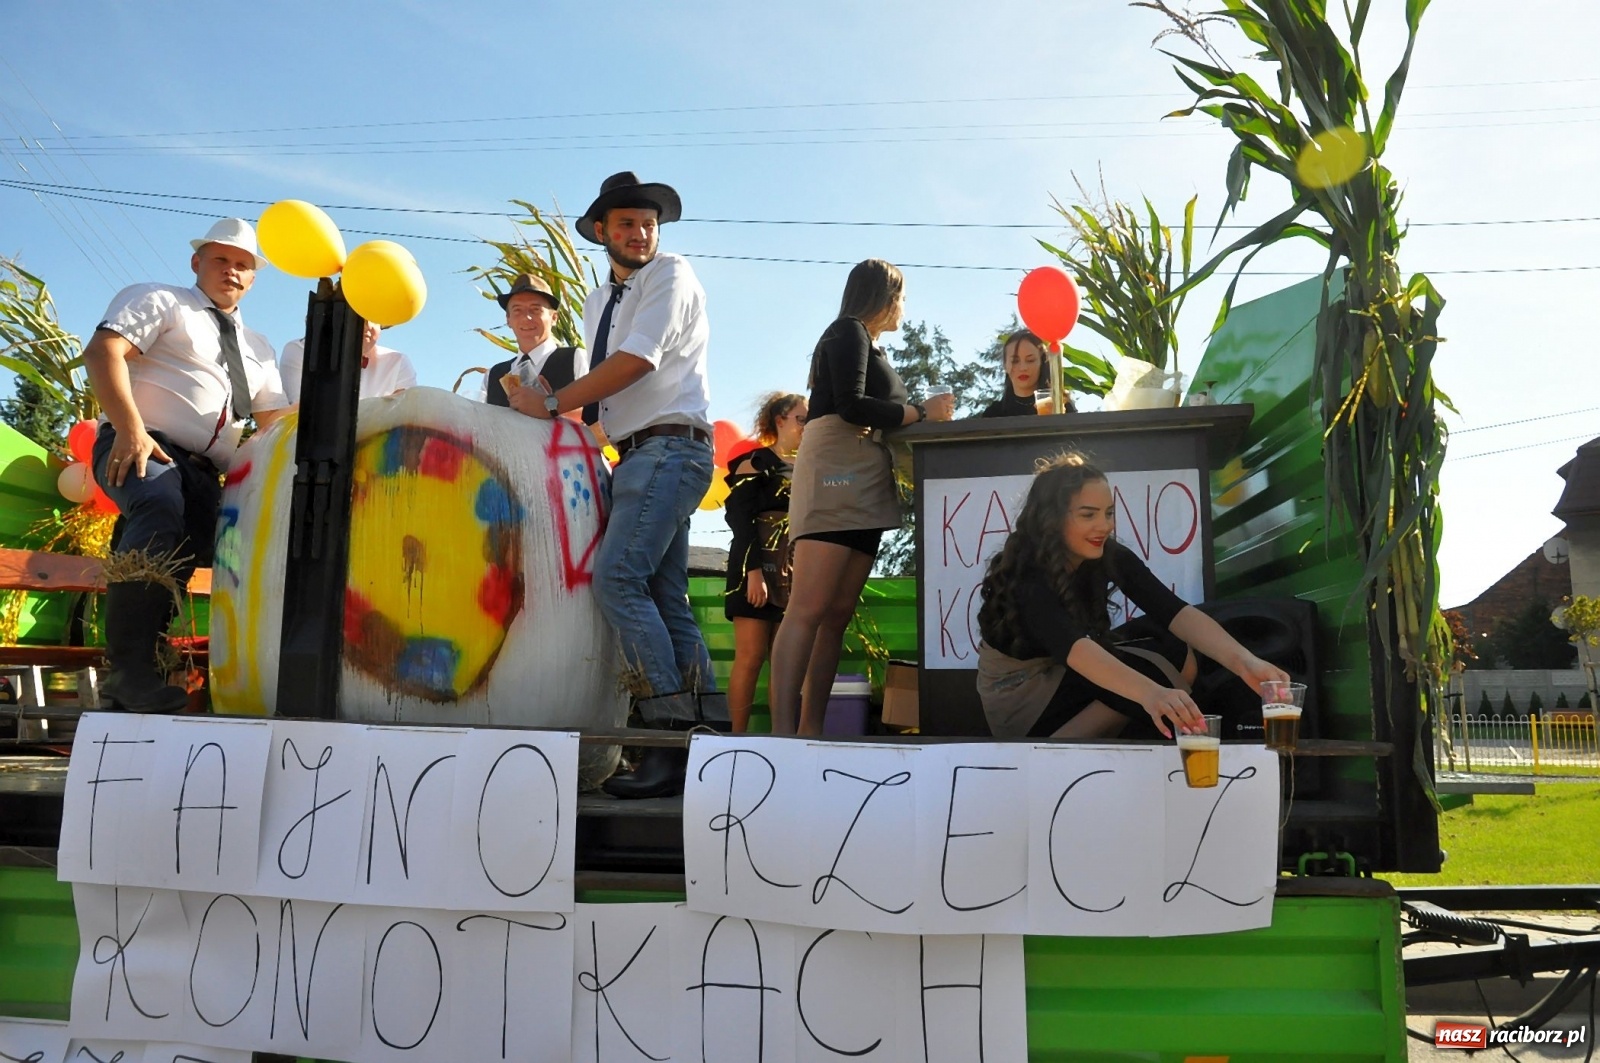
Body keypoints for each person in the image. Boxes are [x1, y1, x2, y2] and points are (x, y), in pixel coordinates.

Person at [523, 171, 720, 797]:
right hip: (639, 452)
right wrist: (555, 417)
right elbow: (608, 393)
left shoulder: (671, 273)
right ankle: (706, 744)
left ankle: (666, 737)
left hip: (668, 447)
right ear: (601, 232)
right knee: (664, 596)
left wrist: (549, 404)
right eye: (627, 224)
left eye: (649, 223)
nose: (641, 233)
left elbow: (638, 360)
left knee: (617, 580)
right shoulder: (596, 299)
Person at [84, 218, 292, 712]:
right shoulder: (162, 300)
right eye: (221, 259)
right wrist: (131, 430)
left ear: (253, 278)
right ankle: (128, 672)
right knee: (158, 508)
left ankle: (152, 671)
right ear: (197, 262)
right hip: (145, 442)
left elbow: (274, 421)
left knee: (200, 547)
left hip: (204, 470)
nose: (231, 271)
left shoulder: (258, 346)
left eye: (243, 264)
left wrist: (358, 412)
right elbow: (103, 351)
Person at [974, 453, 1288, 739]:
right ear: (1052, 519)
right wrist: (1152, 694)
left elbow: (1174, 611)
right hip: (1024, 698)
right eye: (1088, 515)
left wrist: (1245, 662)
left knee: (1173, 647)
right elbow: (1077, 651)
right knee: (1153, 676)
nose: (1104, 525)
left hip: (1066, 668)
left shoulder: (1106, 554)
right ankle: (1051, 751)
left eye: (1109, 513)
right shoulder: (1028, 577)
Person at [767, 259, 955, 736]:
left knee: (836, 616)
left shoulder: (873, 346)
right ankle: (783, 736)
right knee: (808, 608)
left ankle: (810, 731)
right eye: (902, 297)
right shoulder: (847, 331)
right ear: (884, 296)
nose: (904, 307)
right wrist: (919, 412)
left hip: (867, 475)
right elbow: (851, 405)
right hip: (835, 467)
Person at [722, 392, 808, 732]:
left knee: (783, 662)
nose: (807, 425)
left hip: (794, 571)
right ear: (780, 420)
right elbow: (740, 520)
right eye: (801, 418)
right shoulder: (754, 463)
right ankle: (734, 739)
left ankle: (782, 737)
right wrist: (753, 573)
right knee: (751, 655)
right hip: (754, 565)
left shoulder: (810, 465)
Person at [479, 273, 587, 414]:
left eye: (535, 309)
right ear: (508, 320)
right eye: (517, 310)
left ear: (554, 318)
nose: (526, 317)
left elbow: (597, 416)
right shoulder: (493, 375)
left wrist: (549, 406)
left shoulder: (575, 358)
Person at [278, 319, 416, 402]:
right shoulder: (301, 351)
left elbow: (405, 420)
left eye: (375, 318)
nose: (368, 325)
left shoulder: (397, 362)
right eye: (359, 313)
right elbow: (301, 416)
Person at [980, 329, 1069, 417]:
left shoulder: (1059, 406)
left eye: (1030, 360)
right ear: (1005, 365)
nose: (1023, 368)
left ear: (1042, 362)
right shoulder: (994, 414)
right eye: (1015, 361)